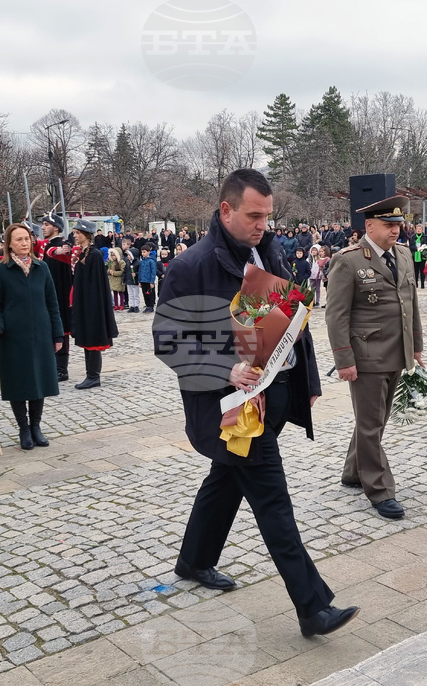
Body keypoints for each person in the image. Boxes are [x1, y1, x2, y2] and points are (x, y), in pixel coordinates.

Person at [154, 168, 358, 638]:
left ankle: (194, 560)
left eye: (267, 216)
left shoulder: (270, 250)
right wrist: (224, 369)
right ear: (226, 210)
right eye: (253, 216)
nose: (263, 225)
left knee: (226, 479)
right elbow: (167, 340)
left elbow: (292, 318)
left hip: (275, 395)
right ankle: (313, 607)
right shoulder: (190, 266)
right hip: (233, 408)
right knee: (273, 502)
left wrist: (307, 380)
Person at [325, 195, 424, 520]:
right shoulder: (348, 261)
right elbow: (336, 315)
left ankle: (353, 471)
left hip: (397, 352)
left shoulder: (404, 254)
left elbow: (410, 304)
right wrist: (344, 360)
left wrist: (416, 347)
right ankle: (380, 490)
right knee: (370, 425)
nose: (396, 230)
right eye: (388, 224)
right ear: (369, 226)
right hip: (366, 357)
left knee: (375, 421)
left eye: (398, 224)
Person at [0, 223, 63, 449]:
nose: (24, 243)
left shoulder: (42, 267)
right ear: (9, 244)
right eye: (18, 239)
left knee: (39, 379)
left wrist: (57, 334)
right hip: (14, 336)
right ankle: (23, 428)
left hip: (41, 333)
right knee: (18, 381)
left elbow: (52, 303)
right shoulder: (0, 269)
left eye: (27, 239)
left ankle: (36, 426)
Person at [69, 218, 118, 389]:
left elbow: (96, 285)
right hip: (84, 302)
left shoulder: (94, 255)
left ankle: (93, 376)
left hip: (92, 304)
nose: (75, 236)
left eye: (77, 233)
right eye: (74, 233)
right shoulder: (84, 253)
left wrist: (90, 306)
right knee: (87, 339)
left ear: (86, 234)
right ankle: (89, 374)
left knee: (93, 339)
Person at [39, 213, 74, 381]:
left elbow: (57, 252)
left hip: (60, 294)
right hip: (47, 293)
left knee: (61, 329)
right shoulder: (46, 244)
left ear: (56, 228)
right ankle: (52, 364)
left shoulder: (61, 245)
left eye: (46, 224)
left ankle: (62, 368)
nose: (43, 227)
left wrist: (61, 250)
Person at [138, 242, 158, 313]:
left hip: (149, 280)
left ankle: (151, 306)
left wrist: (152, 281)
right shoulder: (142, 262)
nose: (143, 253)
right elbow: (140, 271)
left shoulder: (151, 261)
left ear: (148, 252)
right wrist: (139, 281)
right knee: (144, 294)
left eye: (144, 252)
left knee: (150, 294)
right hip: (143, 280)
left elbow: (153, 272)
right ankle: (147, 306)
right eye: (142, 252)